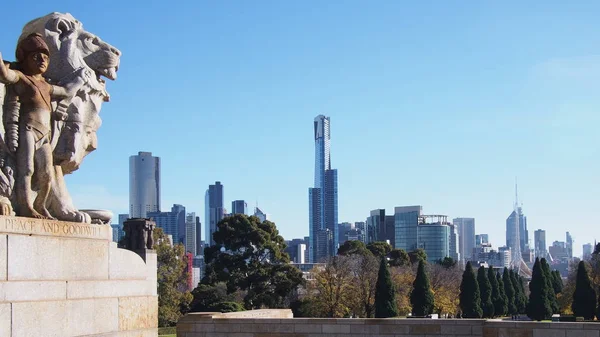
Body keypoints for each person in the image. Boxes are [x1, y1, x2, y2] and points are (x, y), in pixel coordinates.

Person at [0, 33, 89, 219]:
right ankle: (26, 207)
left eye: (46, 57)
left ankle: (40, 205)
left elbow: (65, 91)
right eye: (36, 56)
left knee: (47, 175)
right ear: (24, 59)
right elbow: (5, 74)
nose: (42, 60)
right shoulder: (22, 78)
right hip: (28, 130)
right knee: (27, 169)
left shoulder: (46, 85)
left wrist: (81, 77)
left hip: (45, 135)